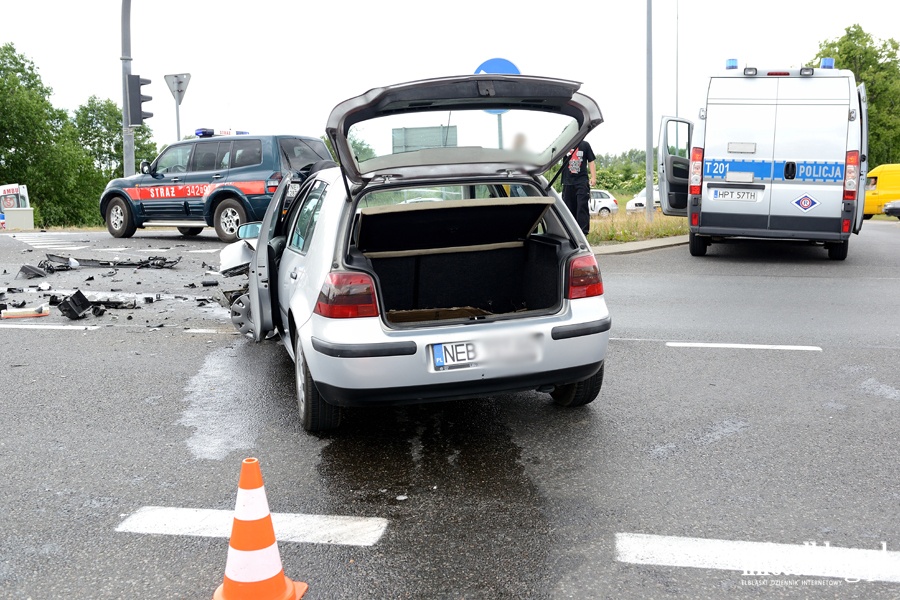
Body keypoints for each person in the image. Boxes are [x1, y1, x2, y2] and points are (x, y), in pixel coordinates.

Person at [561, 140, 597, 235]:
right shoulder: (566, 144)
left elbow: (591, 161)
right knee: (568, 209)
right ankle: (570, 233)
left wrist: (593, 177)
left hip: (581, 181)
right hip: (567, 182)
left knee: (582, 207)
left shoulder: (585, 145)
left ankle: (583, 233)